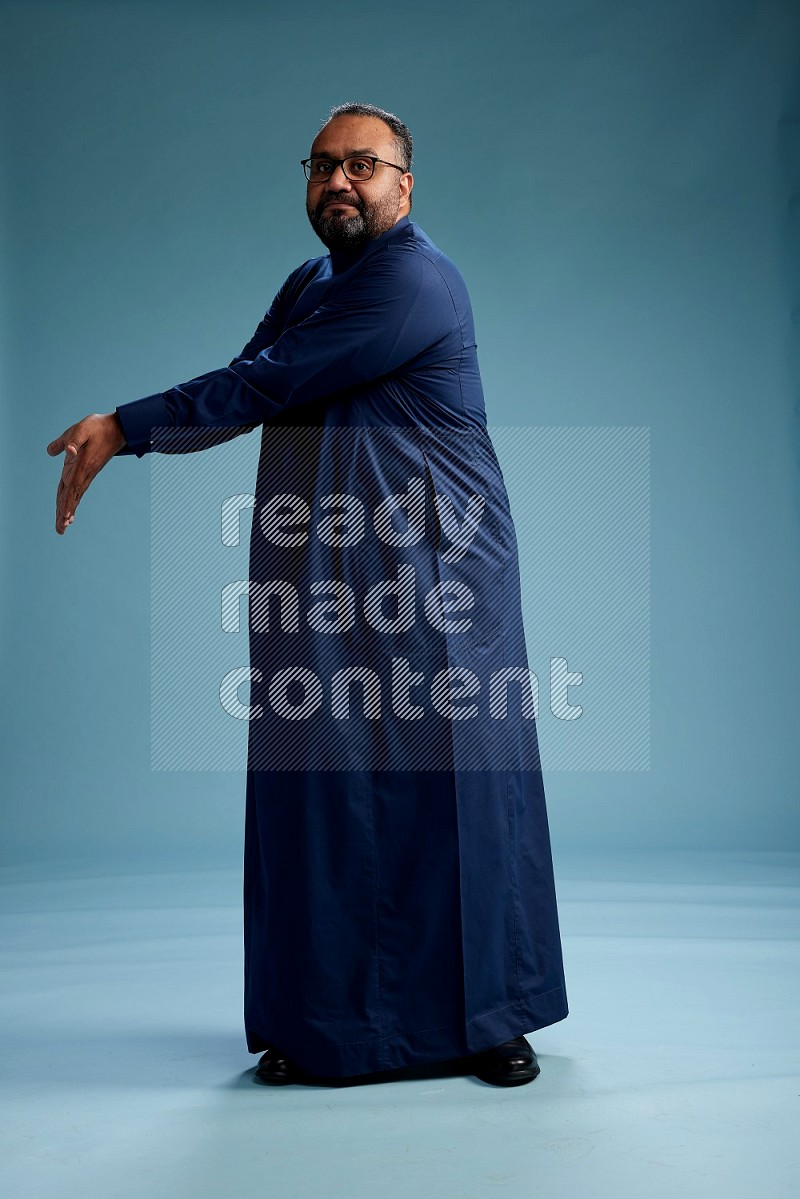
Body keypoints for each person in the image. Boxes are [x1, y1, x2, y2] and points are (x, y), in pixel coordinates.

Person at [46, 102, 568, 1088]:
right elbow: (254, 381)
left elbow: (266, 384)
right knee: (319, 795)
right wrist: (140, 431)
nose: (338, 181)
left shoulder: (417, 279)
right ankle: (320, 1019)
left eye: (361, 165)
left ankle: (488, 1015)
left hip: (436, 573)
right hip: (322, 573)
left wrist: (126, 425)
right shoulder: (309, 280)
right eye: (321, 165)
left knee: (455, 788)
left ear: (403, 186)